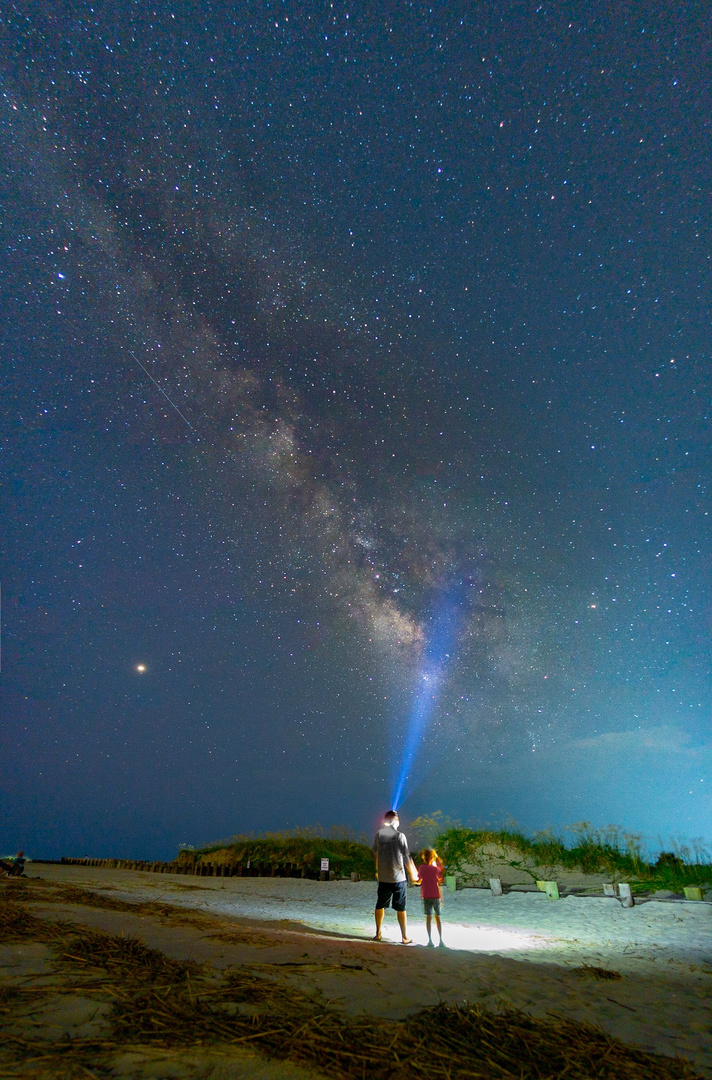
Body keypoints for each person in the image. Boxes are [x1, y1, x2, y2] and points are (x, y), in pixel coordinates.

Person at [373, 810, 419, 944]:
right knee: (401, 907)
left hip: (383, 877)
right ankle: (404, 937)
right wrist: (413, 873)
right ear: (395, 821)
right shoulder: (400, 836)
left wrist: (377, 869)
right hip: (398, 877)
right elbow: (406, 856)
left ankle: (378, 933)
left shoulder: (379, 835)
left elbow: (375, 853)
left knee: (380, 904)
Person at [417, 847, 445, 947]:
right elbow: (440, 879)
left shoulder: (421, 868)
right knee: (437, 917)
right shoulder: (435, 869)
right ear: (432, 858)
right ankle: (441, 940)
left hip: (426, 895)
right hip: (435, 895)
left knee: (428, 917)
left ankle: (430, 940)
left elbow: (419, 880)